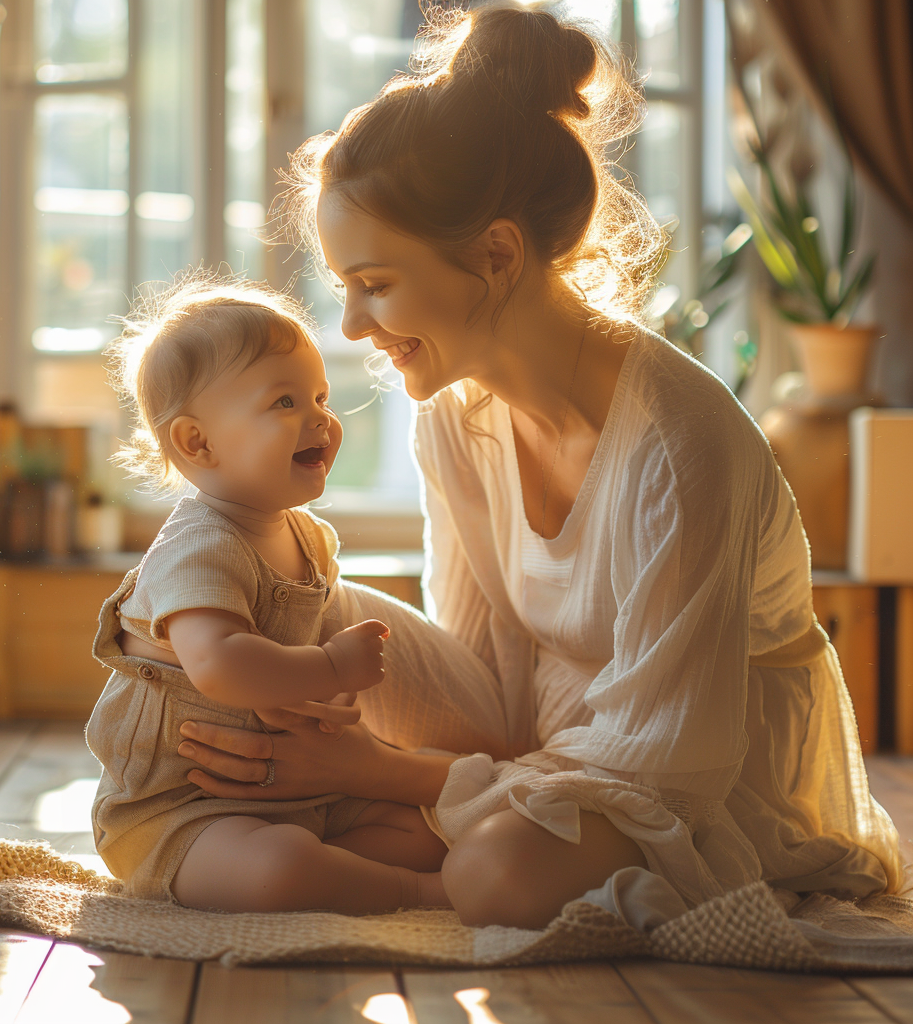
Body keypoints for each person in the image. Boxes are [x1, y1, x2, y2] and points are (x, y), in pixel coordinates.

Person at [173, 2, 907, 929]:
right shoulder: (454, 414)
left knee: (496, 877)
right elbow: (481, 676)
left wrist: (381, 773)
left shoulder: (680, 446)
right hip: (546, 747)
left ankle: (413, 844)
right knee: (312, 605)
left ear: (497, 253)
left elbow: (670, 760)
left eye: (376, 284)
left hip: (695, 780)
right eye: (345, 290)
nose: (354, 328)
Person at [86, 274, 481, 913]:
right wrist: (326, 667)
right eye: (284, 403)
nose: (320, 418)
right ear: (198, 442)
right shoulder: (197, 546)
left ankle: (350, 872)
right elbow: (218, 664)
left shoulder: (308, 538)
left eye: (320, 396)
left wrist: (331, 696)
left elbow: (304, 654)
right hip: (185, 814)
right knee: (279, 870)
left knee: (423, 824)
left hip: (296, 792)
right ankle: (415, 893)